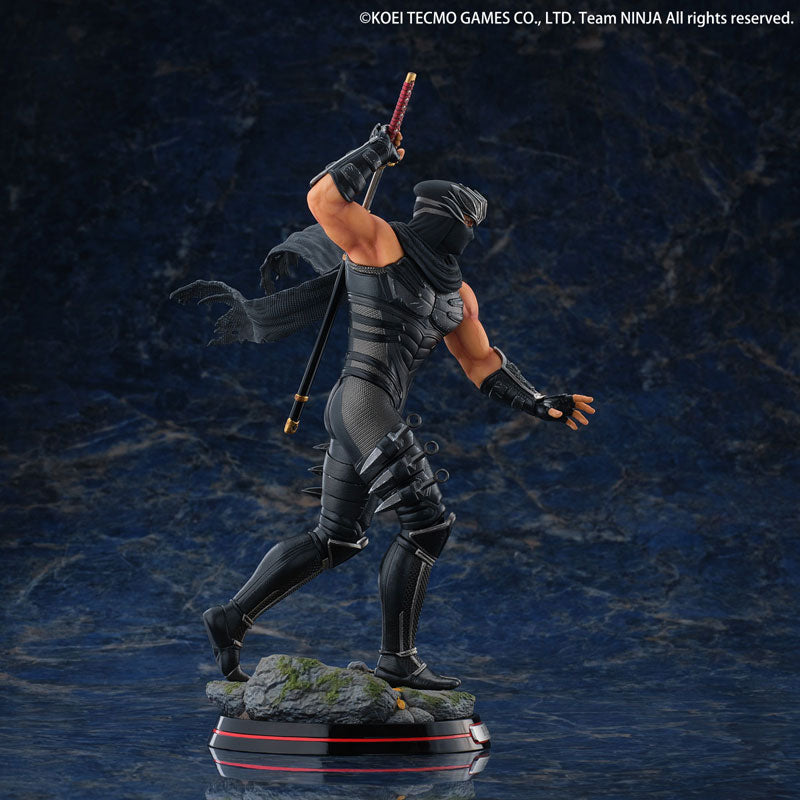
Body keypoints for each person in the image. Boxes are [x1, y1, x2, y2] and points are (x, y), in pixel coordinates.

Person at [171, 124, 595, 690]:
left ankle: (230, 618)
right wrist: (372, 153)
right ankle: (398, 660)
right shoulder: (378, 240)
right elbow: (323, 200)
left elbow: (480, 362)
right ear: (443, 215)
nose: (470, 233)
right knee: (429, 524)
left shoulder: (459, 294)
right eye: (466, 221)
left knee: (337, 538)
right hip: (361, 402)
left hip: (370, 411)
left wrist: (538, 400)